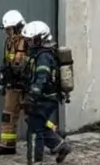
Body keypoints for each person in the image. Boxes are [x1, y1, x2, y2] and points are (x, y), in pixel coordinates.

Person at [20, 20, 72, 163]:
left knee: (35, 131)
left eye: (31, 40)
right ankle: (61, 146)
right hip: (45, 98)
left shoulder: (44, 56)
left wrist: (33, 95)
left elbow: (42, 76)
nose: (29, 43)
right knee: (39, 125)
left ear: (40, 38)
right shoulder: (37, 53)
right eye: (28, 40)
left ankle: (35, 161)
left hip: (45, 99)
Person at [0, 10, 28, 156]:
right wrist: (3, 79)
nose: (7, 32)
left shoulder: (28, 40)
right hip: (12, 85)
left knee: (33, 117)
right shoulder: (9, 42)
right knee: (8, 115)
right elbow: (7, 61)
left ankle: (54, 139)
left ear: (17, 27)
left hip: (26, 86)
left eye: (9, 29)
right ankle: (7, 145)